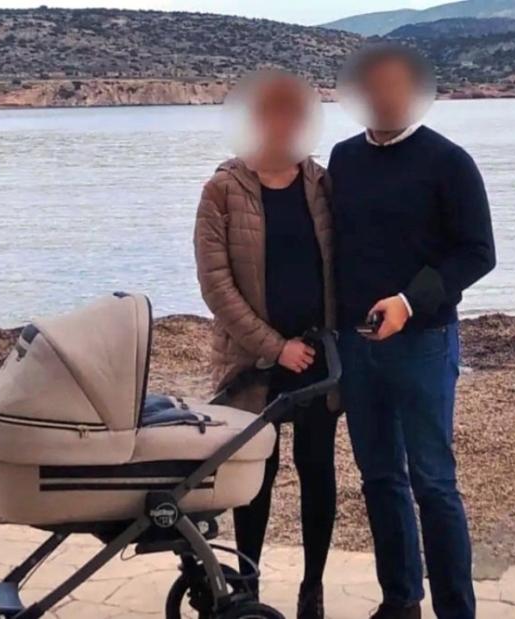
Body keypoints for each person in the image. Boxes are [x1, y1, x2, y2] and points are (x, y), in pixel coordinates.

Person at [329, 45, 497, 619]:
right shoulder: (344, 159)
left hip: (424, 343)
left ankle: (456, 610)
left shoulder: (449, 162)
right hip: (357, 346)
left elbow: (477, 253)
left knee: (433, 483)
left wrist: (407, 302)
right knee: (379, 478)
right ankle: (400, 601)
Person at [193, 71, 338, 619]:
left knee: (317, 471)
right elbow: (216, 286)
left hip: (318, 357)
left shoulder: (322, 186)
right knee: (256, 475)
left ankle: (313, 588)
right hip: (252, 362)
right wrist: (276, 348)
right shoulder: (221, 191)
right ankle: (248, 589)